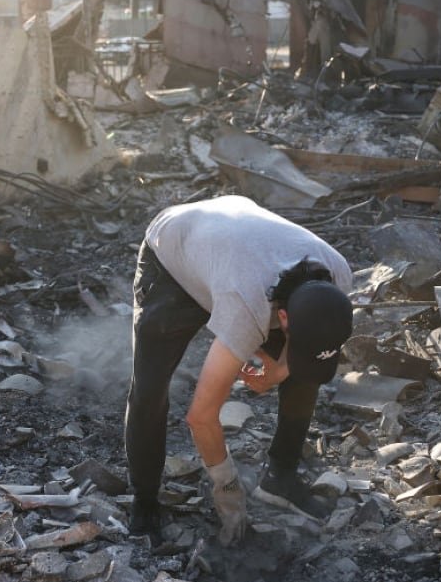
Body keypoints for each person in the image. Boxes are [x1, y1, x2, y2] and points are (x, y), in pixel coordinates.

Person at [124, 195, 354, 544]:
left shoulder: (337, 277)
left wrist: (277, 371)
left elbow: (304, 335)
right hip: (174, 251)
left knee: (304, 372)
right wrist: (227, 484)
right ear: (283, 318)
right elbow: (200, 416)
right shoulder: (246, 305)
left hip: (236, 252)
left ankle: (282, 476)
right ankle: (144, 502)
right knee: (150, 390)